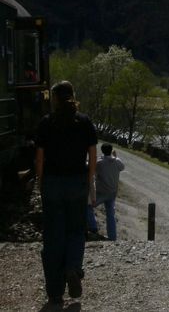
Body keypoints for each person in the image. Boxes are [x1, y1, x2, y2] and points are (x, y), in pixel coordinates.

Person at [35, 80, 98, 306]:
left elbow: (40, 157)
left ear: (55, 99)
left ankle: (54, 290)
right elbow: (92, 155)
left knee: (53, 235)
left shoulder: (46, 123)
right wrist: (89, 179)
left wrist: (41, 182)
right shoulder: (84, 122)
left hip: (52, 183)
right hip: (76, 183)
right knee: (75, 231)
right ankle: (72, 267)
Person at [87, 143, 124, 240]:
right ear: (111, 150)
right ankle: (112, 237)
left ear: (102, 151)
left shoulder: (100, 162)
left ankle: (93, 227)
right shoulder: (117, 161)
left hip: (101, 192)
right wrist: (116, 156)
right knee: (110, 214)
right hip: (112, 192)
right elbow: (122, 167)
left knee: (88, 206)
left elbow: (90, 167)